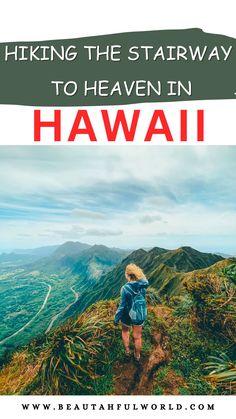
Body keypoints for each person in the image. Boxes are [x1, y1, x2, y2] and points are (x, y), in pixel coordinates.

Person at [114, 263, 149, 363]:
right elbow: (144, 282)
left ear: (128, 275)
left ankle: (127, 352)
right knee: (137, 337)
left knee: (125, 331)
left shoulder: (125, 288)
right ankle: (137, 356)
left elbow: (122, 306)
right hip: (139, 313)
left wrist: (116, 318)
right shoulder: (142, 285)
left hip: (126, 313)